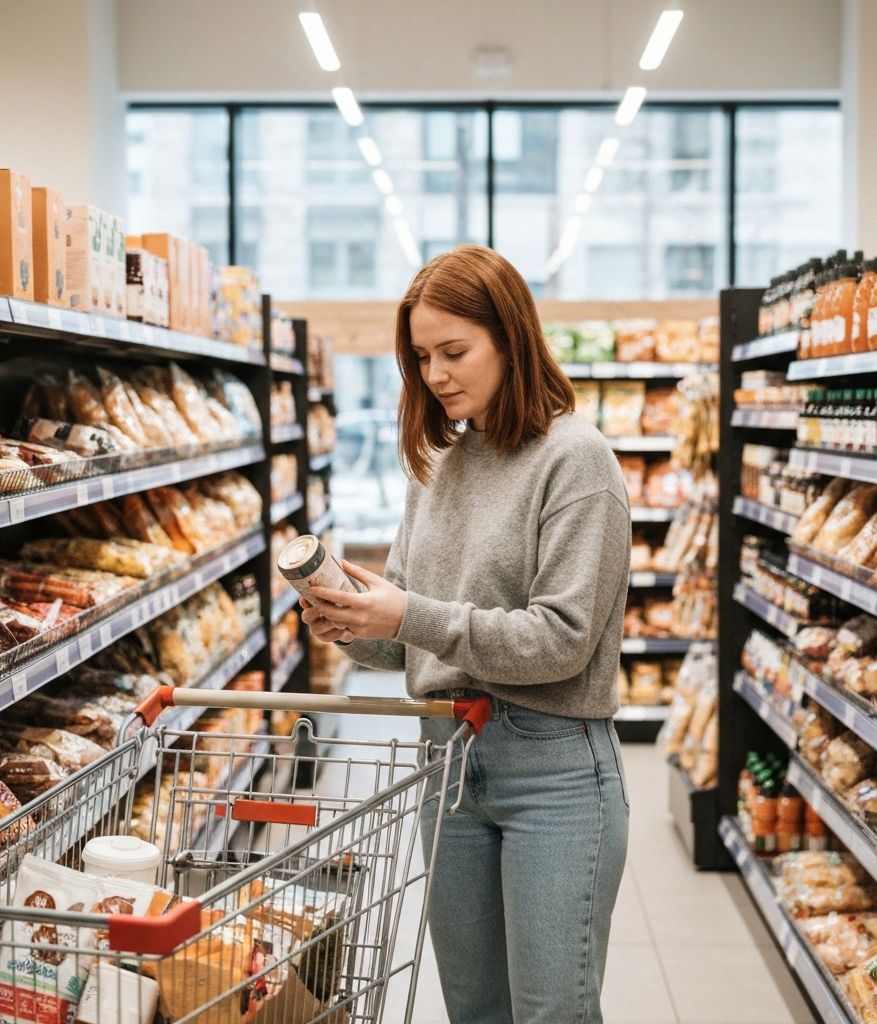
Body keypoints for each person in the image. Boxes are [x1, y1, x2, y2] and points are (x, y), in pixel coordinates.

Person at [300, 244, 631, 1024]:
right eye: (421, 357)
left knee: (551, 1011)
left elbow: (562, 640)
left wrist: (407, 614)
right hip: (448, 764)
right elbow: (415, 638)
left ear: (512, 339)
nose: (436, 374)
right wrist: (349, 617)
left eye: (455, 351)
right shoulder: (441, 463)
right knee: (474, 1010)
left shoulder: (576, 461)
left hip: (552, 769)